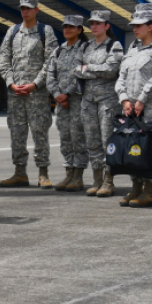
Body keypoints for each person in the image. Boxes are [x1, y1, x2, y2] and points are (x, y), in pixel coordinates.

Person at [115, 7, 152, 208]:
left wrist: (141, 98)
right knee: (133, 147)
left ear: (150, 27)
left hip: (151, 109)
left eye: (139, 26)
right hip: (131, 109)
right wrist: (124, 99)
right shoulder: (132, 52)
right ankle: (136, 187)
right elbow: (120, 77)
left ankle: (150, 189)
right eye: (134, 26)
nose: (135, 29)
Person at [0, 0, 59, 188]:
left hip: (37, 94)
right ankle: (19, 173)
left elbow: (51, 61)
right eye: (23, 8)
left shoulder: (45, 31)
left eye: (29, 8)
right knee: (17, 133)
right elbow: (3, 60)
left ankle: (43, 173)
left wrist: (36, 83)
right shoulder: (12, 32)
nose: (25, 11)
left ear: (36, 10)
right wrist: (10, 83)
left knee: (40, 132)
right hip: (15, 94)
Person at [77, 10, 125, 198]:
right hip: (88, 100)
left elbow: (111, 70)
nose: (94, 26)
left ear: (107, 26)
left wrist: (88, 69)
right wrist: (95, 71)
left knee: (107, 141)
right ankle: (96, 179)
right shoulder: (86, 46)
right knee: (92, 141)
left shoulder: (114, 46)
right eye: (92, 23)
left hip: (108, 101)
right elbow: (76, 69)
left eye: (98, 23)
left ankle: (108, 180)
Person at [46, 14, 90, 192]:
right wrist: (57, 94)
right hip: (61, 104)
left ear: (79, 29)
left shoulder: (86, 49)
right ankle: (68, 172)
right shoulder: (58, 50)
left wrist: (67, 93)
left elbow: (84, 73)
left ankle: (78, 176)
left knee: (78, 138)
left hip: (78, 101)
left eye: (72, 27)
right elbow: (50, 75)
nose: (67, 30)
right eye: (65, 27)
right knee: (65, 138)